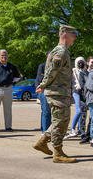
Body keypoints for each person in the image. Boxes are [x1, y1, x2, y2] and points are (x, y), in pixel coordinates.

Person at [33, 25, 79, 163]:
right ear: (64, 34)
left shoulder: (62, 51)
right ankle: (57, 153)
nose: (75, 38)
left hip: (60, 92)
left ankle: (42, 142)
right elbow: (52, 71)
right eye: (73, 34)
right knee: (61, 122)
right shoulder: (61, 52)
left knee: (60, 121)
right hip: (57, 92)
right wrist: (43, 85)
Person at [68, 57, 87, 137]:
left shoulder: (85, 72)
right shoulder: (74, 71)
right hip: (76, 92)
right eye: (79, 62)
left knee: (82, 111)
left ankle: (80, 129)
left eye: (81, 62)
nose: (80, 64)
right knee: (78, 110)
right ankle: (72, 128)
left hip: (83, 93)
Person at [35, 62, 51, 133]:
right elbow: (40, 78)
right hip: (43, 90)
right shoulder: (42, 66)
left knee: (49, 112)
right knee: (46, 111)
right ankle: (45, 131)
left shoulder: (56, 66)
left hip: (52, 91)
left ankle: (45, 129)